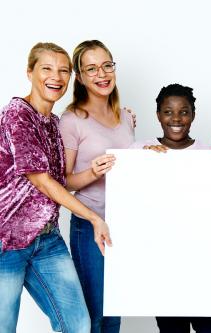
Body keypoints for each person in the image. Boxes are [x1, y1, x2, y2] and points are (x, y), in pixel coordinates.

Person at [0, 42, 111, 333]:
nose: (57, 77)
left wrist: (92, 172)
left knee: (78, 325)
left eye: (64, 71)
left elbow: (61, 181)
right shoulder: (17, 114)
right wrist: (94, 217)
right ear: (30, 73)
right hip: (6, 243)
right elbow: (42, 181)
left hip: (47, 241)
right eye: (47, 68)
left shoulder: (53, 123)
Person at [131, 83, 211, 333]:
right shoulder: (139, 152)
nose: (176, 118)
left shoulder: (210, 154)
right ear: (158, 115)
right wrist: (144, 162)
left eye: (184, 112)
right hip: (165, 272)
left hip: (206, 270)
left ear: (193, 116)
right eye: (168, 111)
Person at [59, 40, 135, 333]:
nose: (102, 74)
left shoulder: (126, 116)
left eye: (106, 65)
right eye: (91, 69)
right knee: (95, 314)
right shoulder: (72, 120)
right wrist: (91, 172)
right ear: (79, 76)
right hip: (89, 225)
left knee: (115, 311)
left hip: (122, 225)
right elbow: (63, 180)